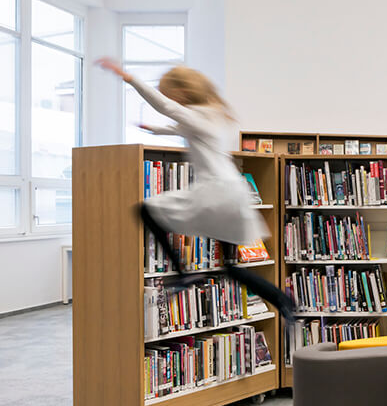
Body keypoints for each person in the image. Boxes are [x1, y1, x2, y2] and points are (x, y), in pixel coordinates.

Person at [96, 58, 296, 321]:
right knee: (231, 267)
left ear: (182, 93)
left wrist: (128, 77)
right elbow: (179, 127)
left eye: (171, 95)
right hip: (234, 194)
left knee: (145, 210)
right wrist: (153, 130)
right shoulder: (210, 114)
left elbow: (167, 108)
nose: (171, 101)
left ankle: (183, 273)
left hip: (215, 191)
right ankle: (283, 301)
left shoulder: (196, 114)